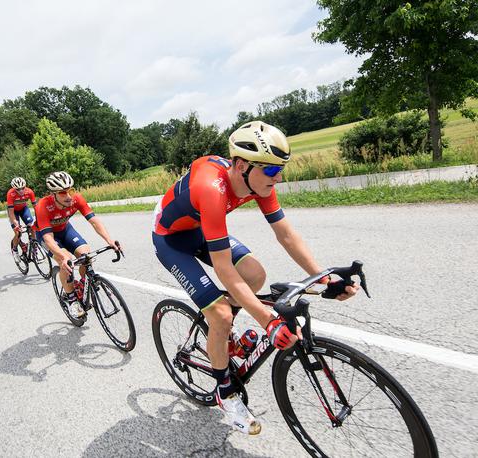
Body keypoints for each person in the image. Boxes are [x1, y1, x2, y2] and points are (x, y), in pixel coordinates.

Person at [151, 121, 359, 434]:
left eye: (281, 171)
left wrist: (325, 279)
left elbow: (286, 235)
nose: (278, 179)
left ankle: (223, 334)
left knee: (255, 275)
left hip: (200, 228)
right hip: (171, 239)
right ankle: (225, 391)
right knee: (220, 313)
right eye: (272, 172)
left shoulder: (257, 182)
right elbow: (223, 267)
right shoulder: (213, 188)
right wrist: (267, 320)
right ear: (241, 164)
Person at [34, 171, 121, 318]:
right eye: (63, 193)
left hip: (65, 229)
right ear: (53, 194)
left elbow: (94, 221)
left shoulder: (76, 199)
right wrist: (62, 256)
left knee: (86, 255)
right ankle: (71, 299)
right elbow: (48, 238)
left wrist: (109, 240)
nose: (68, 196)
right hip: (47, 235)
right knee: (65, 260)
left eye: (70, 191)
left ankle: (84, 284)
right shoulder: (43, 206)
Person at [6, 177, 37, 256]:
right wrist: (16, 223)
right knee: (18, 233)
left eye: (23, 188)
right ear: (14, 189)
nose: (21, 191)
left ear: (25, 186)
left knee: (32, 227)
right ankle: (15, 249)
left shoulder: (29, 191)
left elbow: (36, 207)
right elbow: (11, 212)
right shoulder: (10, 193)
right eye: (18, 189)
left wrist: (38, 218)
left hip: (24, 209)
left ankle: (34, 249)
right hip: (13, 212)